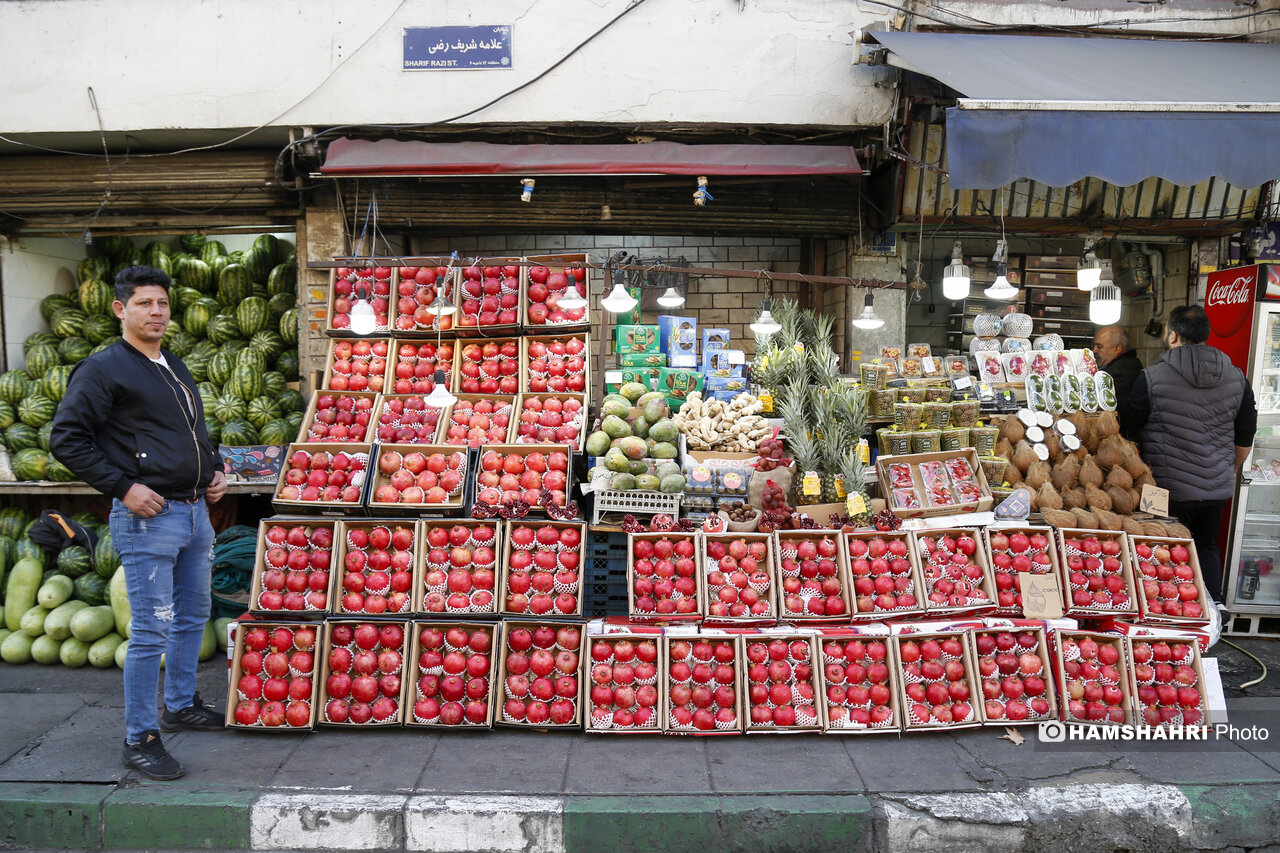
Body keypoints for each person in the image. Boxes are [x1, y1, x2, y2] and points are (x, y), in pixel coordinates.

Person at [51, 265, 227, 781]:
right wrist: (123, 487)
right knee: (151, 630)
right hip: (150, 518)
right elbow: (67, 439)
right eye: (146, 303)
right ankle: (140, 738)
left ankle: (180, 704)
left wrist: (215, 469)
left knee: (193, 615)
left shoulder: (171, 362)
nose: (157, 312)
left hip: (195, 511)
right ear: (120, 309)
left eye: (163, 304)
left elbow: (196, 429)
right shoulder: (103, 368)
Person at [1120, 304, 1257, 603]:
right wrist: (1228, 469)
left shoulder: (1151, 377)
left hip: (1166, 489)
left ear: (1172, 335)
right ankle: (1215, 609)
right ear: (1206, 336)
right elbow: (1245, 436)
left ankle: (1170, 615)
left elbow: (1128, 428)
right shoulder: (1236, 377)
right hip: (1217, 487)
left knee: (1165, 548)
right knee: (1206, 545)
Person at [1092, 324, 1143, 404]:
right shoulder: (1121, 366)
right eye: (1094, 346)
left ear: (1118, 348)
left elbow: (1108, 403)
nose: (1094, 350)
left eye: (1099, 346)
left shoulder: (1122, 371)